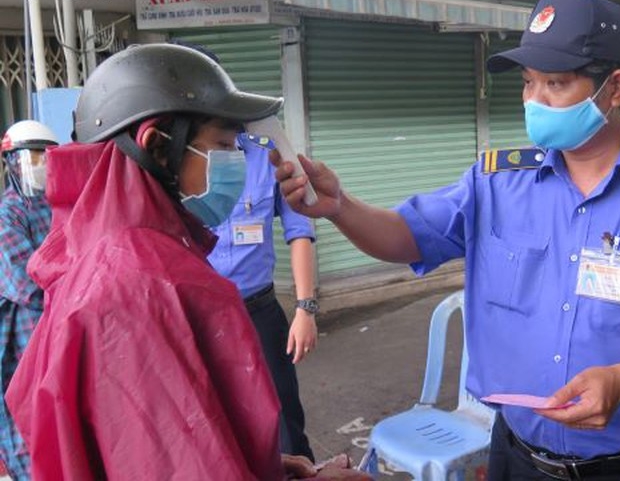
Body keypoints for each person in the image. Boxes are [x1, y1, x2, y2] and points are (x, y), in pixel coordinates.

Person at [272, 0, 620, 480]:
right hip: (514, 457)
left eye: (554, 84)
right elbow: (407, 236)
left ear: (616, 88)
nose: (534, 100)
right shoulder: (497, 182)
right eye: (529, 83)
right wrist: (341, 207)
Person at [4, 44, 366, 480]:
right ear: (156, 145)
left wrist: (263, 465)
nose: (235, 160)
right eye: (222, 145)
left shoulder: (107, 250)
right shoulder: (144, 283)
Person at [209, 132, 317, 461]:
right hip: (205, 318)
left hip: (260, 312)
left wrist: (306, 308)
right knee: (217, 421)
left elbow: (300, 230)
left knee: (286, 422)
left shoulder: (269, 155)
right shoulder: (186, 158)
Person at [0, 121, 58, 480]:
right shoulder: (8, 215)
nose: (39, 164)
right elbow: (26, 284)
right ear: (12, 162)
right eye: (31, 156)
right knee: (27, 431)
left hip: (61, 333)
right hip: (24, 344)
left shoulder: (60, 206)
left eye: (45, 156)